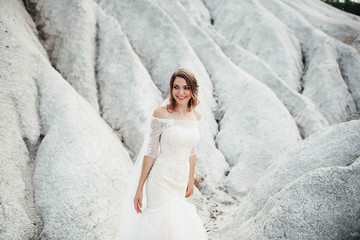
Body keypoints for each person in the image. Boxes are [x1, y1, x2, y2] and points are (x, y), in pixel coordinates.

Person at [115, 68, 207, 240]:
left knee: (176, 225)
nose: (181, 92)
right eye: (176, 87)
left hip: (179, 178)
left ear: (193, 90)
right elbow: (151, 151)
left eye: (186, 87)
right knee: (159, 223)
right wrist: (140, 187)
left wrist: (190, 179)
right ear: (171, 89)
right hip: (161, 178)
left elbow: (192, 151)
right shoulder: (161, 113)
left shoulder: (196, 116)